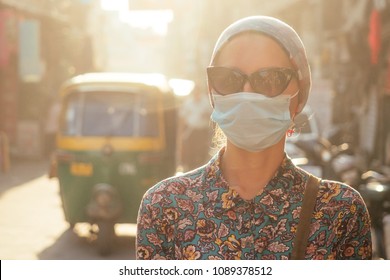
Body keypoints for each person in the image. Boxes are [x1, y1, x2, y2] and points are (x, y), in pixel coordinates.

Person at [136, 16, 372, 260]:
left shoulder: (340, 211)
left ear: (299, 92)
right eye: (228, 79)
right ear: (212, 91)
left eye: (270, 79)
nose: (246, 94)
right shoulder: (164, 204)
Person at [178, 85, 213, 171]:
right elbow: (182, 117)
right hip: (192, 131)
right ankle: (190, 168)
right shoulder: (188, 102)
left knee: (202, 151)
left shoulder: (206, 102)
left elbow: (211, 115)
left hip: (202, 131)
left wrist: (205, 115)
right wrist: (181, 132)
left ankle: (201, 167)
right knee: (191, 151)